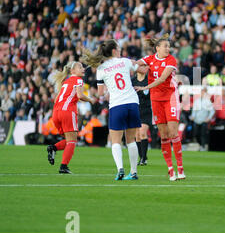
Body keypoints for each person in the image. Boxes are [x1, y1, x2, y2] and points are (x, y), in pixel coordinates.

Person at [81, 39, 142, 181]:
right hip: (132, 102)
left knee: (115, 141)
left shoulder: (101, 69)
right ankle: (133, 172)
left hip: (117, 105)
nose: (120, 50)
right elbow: (139, 68)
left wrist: (107, 90)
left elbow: (101, 93)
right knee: (131, 140)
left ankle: (120, 169)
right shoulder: (125, 61)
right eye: (119, 48)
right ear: (114, 50)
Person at [135, 33, 185, 181]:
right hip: (156, 100)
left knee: (173, 133)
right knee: (163, 135)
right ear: (157, 48)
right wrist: (130, 65)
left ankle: (180, 168)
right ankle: (171, 170)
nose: (168, 48)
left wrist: (145, 87)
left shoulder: (171, 60)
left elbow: (163, 78)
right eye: (165, 46)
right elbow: (135, 64)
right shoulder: (149, 59)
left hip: (170, 98)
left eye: (169, 46)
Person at [47, 61, 95, 174]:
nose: (83, 68)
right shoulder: (78, 80)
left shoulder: (66, 82)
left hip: (56, 113)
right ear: (72, 71)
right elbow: (80, 95)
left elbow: (56, 99)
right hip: (67, 112)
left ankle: (53, 148)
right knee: (72, 141)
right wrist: (91, 100)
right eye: (80, 67)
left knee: (69, 140)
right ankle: (63, 166)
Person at [131, 69, 152, 165]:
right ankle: (142, 157)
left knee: (143, 132)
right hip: (136, 109)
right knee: (137, 135)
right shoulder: (132, 80)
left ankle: (144, 158)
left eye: (144, 66)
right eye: (141, 66)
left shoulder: (149, 80)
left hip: (146, 110)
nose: (142, 68)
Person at [190, 87, 215, 151]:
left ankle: (203, 146)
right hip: (196, 120)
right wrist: (193, 116)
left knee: (203, 134)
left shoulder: (208, 102)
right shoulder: (197, 101)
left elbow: (212, 111)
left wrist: (208, 118)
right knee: (196, 134)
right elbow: (194, 110)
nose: (202, 93)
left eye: (204, 92)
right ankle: (200, 144)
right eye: (202, 92)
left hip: (204, 120)